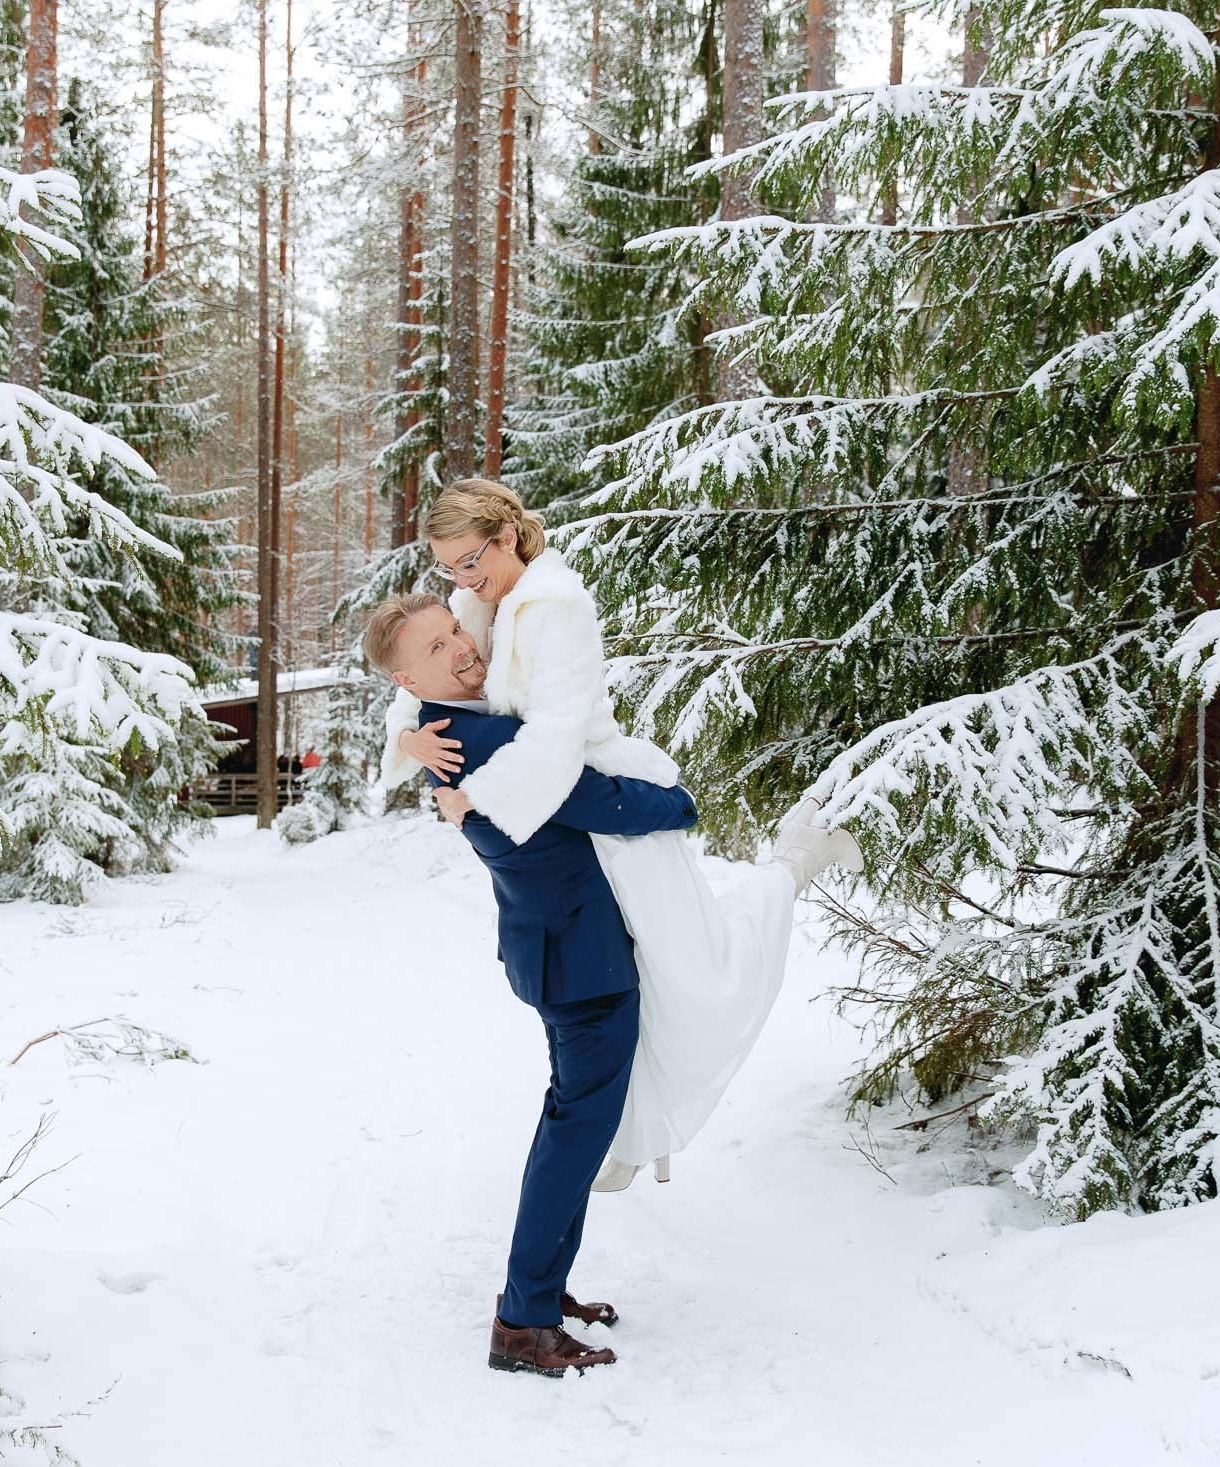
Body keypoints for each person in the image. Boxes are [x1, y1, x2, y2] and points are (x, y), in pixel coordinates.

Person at [378, 480, 862, 1187]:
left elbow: (553, 748)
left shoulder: (555, 609)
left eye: (468, 560)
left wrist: (473, 797)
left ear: (507, 537)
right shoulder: (476, 601)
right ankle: (639, 1138)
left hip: (606, 799)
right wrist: (410, 741)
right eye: (448, 567)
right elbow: (411, 683)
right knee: (652, 984)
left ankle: (795, 859)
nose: (460, 580)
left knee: (698, 967)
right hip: (564, 815)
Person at [361, 594, 697, 1378]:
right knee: (572, 1136)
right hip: (580, 965)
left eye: (455, 633)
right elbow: (588, 795)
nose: (461, 647)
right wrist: (678, 804)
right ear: (409, 677)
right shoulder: (478, 741)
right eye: (439, 647)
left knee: (568, 1129)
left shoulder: (444, 726)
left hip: (558, 950)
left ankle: (540, 1289)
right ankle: (523, 1322)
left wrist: (408, 733)